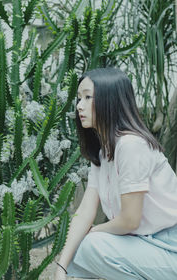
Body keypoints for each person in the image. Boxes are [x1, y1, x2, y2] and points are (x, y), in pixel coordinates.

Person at [54, 68, 177, 280]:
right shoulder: (104, 151)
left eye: (87, 97)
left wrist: (94, 232)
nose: (79, 106)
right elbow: (84, 212)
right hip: (143, 243)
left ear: (110, 100)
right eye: (79, 98)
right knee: (78, 252)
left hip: (169, 246)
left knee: (93, 245)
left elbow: (130, 220)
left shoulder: (130, 146)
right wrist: (61, 267)